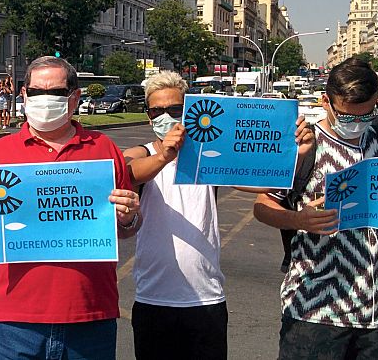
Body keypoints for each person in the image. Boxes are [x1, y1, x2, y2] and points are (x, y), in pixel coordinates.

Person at [252, 58, 378, 360]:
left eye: (367, 113)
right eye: (346, 115)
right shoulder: (304, 147)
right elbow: (262, 205)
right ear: (326, 102)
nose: (356, 122)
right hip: (314, 311)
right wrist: (298, 219)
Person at [0, 56, 141, 359]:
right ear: (24, 95)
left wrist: (130, 217)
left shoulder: (105, 149)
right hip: (16, 319)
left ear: (74, 97)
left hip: (90, 314)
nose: (44, 99)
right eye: (36, 92)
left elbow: (125, 229)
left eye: (55, 92)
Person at [122, 71, 312, 360]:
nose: (165, 116)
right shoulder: (142, 154)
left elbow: (262, 179)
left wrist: (296, 154)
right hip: (153, 299)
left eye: (174, 109)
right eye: (156, 110)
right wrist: (165, 155)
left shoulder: (207, 155)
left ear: (187, 112)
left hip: (205, 299)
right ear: (148, 116)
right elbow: (127, 172)